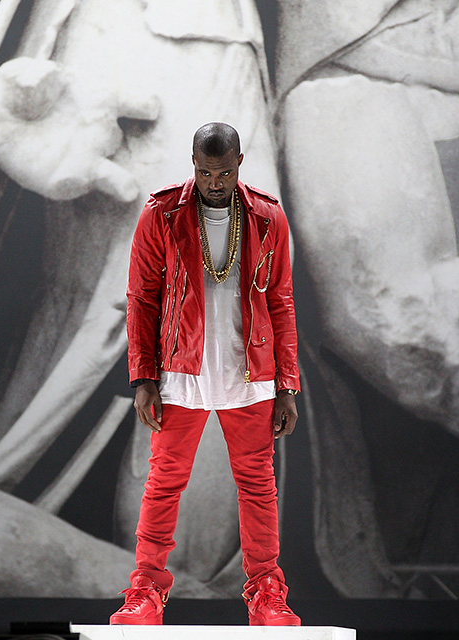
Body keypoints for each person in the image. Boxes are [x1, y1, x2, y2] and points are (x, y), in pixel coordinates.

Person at [109, 122, 301, 626]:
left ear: (239, 163)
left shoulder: (268, 216)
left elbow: (281, 301)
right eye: (205, 172)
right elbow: (141, 298)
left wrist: (287, 384)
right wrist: (143, 378)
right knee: (164, 482)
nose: (214, 182)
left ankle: (267, 594)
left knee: (257, 485)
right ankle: (145, 592)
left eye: (223, 172)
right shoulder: (161, 212)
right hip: (180, 369)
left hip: (251, 370)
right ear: (193, 164)